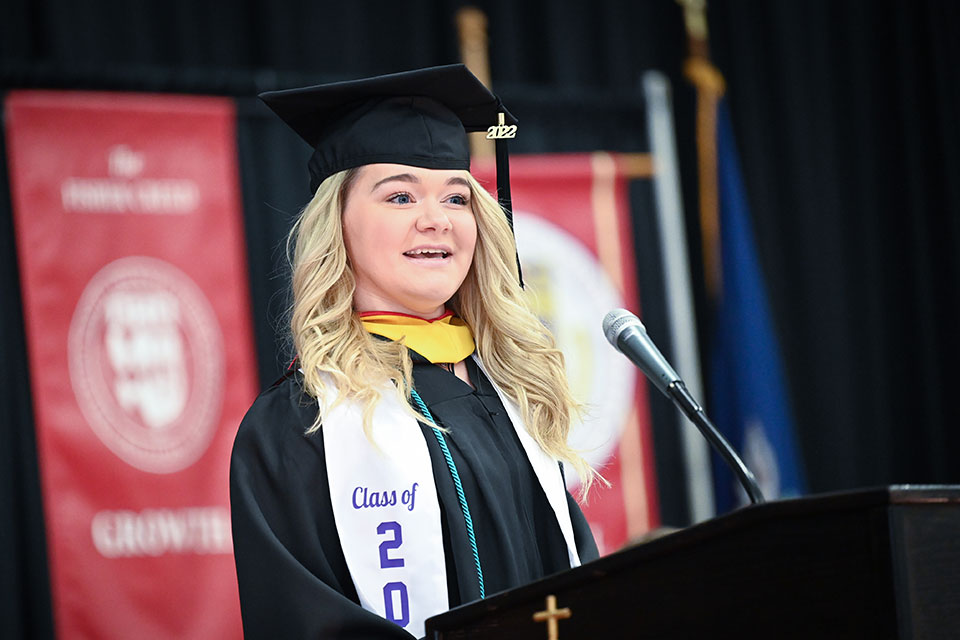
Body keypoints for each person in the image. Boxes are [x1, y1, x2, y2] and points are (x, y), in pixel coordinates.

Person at [229, 64, 599, 639]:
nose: (436, 220)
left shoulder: (509, 390)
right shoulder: (300, 425)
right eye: (400, 196)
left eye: (456, 198)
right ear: (339, 226)